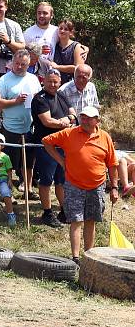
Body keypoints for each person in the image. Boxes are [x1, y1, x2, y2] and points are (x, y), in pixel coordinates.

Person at [42, 106, 118, 264]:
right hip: (74, 183)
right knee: (76, 221)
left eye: (89, 118)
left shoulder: (105, 137)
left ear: (97, 120)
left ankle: (88, 256)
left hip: (97, 185)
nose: (85, 120)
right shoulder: (70, 133)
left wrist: (115, 187)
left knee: (90, 221)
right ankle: (75, 258)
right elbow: (46, 141)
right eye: (83, 117)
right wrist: (61, 161)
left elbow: (112, 164)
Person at [31, 70, 74, 228]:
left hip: (63, 144)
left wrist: (68, 119)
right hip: (46, 146)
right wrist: (64, 123)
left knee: (61, 180)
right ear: (44, 81)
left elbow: (73, 114)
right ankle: (47, 213)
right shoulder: (39, 98)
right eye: (50, 81)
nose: (53, 84)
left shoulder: (62, 95)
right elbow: (47, 121)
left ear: (60, 81)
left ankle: (64, 210)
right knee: (46, 180)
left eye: (56, 82)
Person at [0, 50, 41, 191]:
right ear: (12, 62)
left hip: (29, 126)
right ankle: (6, 186)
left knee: (28, 160)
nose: (19, 66)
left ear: (29, 65)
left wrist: (34, 98)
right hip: (10, 127)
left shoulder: (33, 79)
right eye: (17, 63)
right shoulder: (3, 80)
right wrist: (16, 101)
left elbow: (40, 99)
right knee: (8, 159)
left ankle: (26, 186)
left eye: (23, 64)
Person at [49, 20, 86, 85]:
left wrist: (57, 67)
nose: (62, 31)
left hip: (72, 85)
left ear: (71, 32)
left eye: (66, 29)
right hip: (56, 85)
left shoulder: (76, 47)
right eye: (60, 28)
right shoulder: (55, 46)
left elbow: (78, 68)